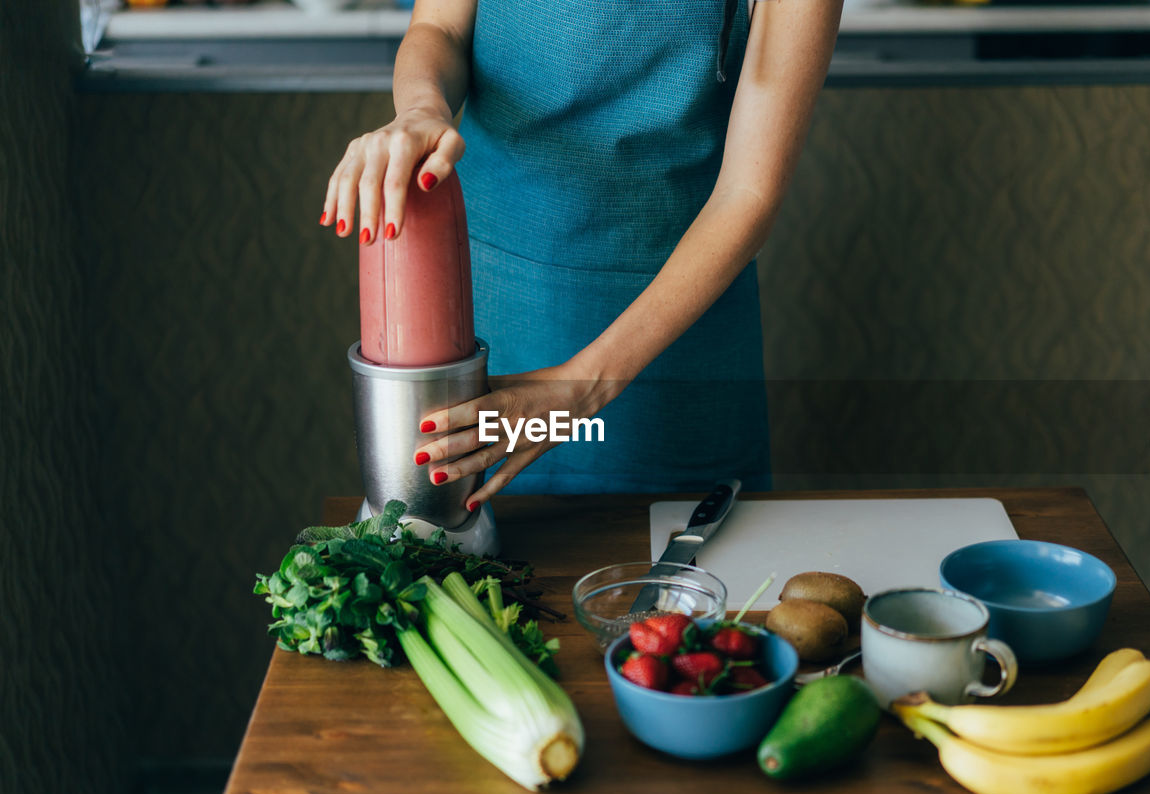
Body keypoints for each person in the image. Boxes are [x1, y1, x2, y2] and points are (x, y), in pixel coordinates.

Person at [322, 0, 842, 510]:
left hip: (672, 338)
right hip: (496, 307)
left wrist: (584, 387)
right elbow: (441, 27)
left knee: (678, 571)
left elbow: (747, 195)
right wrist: (421, 109)